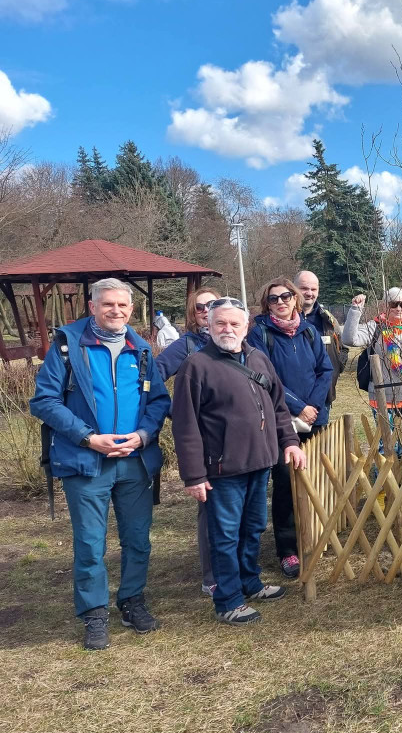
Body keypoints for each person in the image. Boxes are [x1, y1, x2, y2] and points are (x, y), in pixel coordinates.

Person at [30, 278, 171, 650]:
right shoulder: (67, 346)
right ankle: (94, 613)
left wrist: (143, 435)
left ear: (131, 309)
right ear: (92, 306)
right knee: (91, 543)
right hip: (85, 461)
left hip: (134, 460)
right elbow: (44, 401)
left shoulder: (140, 349)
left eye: (123, 306)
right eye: (107, 304)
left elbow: (159, 401)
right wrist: (88, 438)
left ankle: (132, 601)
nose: (116, 311)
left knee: (138, 540)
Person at [172, 297, 306, 625]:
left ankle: (250, 581)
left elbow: (277, 407)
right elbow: (185, 424)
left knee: (254, 526)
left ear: (246, 327)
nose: (227, 329)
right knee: (225, 534)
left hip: (260, 462)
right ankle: (228, 598)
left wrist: (289, 442)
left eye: (235, 323)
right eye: (220, 323)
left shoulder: (258, 359)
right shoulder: (197, 366)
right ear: (209, 325)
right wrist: (193, 475)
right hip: (222, 468)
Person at [247, 277, 332, 578]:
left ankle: (315, 534)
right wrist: (298, 406)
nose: (281, 302)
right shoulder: (259, 334)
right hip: (282, 420)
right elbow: (265, 377)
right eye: (274, 299)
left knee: (317, 477)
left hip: (315, 417)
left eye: (286, 296)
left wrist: (314, 406)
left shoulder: (309, 331)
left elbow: (326, 370)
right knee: (285, 482)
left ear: (296, 299)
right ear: (266, 303)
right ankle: (287, 549)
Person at [155, 286, 221, 597]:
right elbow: (152, 377)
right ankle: (212, 575)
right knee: (210, 509)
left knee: (238, 505)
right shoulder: (186, 346)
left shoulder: (235, 339)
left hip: (236, 438)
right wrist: (177, 413)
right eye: (200, 308)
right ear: (192, 315)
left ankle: (238, 566)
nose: (207, 311)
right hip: (205, 441)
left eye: (213, 305)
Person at [342, 288, 402, 431]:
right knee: (387, 447)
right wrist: (356, 310)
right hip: (382, 399)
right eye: (394, 304)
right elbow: (349, 339)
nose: (399, 309)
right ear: (385, 306)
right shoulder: (375, 327)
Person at [295, 270, 348, 406]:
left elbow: (342, 348)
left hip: (323, 396)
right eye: (304, 288)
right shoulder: (285, 319)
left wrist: (335, 370)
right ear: (294, 289)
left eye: (313, 289)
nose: (309, 293)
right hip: (293, 398)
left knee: (324, 429)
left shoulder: (328, 320)